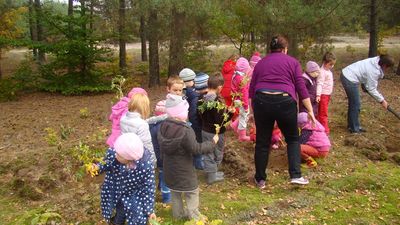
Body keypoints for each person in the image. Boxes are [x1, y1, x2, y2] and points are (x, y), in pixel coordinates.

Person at [249, 35, 316, 188]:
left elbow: (252, 89)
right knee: (292, 139)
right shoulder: (292, 62)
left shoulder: (261, 63)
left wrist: (253, 111)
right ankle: (295, 175)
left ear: (270, 49)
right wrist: (310, 111)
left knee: (262, 141)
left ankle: (260, 179)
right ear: (285, 49)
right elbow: (301, 88)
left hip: (261, 100)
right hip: (285, 101)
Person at [158, 94, 218, 221]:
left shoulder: (163, 126)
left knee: (175, 193)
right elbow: (196, 149)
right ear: (180, 113)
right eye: (185, 110)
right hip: (184, 171)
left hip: (169, 169)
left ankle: (178, 216)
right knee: (192, 192)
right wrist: (212, 143)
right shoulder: (186, 130)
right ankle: (195, 219)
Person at [91, 133, 156, 225]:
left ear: (129, 158)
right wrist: (97, 169)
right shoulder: (115, 152)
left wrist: (149, 210)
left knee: (137, 219)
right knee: (119, 215)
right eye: (116, 152)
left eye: (119, 155)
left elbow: (148, 188)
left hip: (134, 195)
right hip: (115, 190)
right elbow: (105, 163)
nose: (116, 155)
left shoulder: (145, 166)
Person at [341, 54, 395, 133]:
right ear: (384, 65)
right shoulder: (374, 71)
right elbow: (372, 88)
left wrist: (365, 85)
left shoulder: (376, 61)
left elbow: (365, 74)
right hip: (349, 78)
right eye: (388, 67)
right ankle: (354, 129)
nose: (388, 70)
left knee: (354, 103)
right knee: (355, 104)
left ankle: (353, 126)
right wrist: (382, 100)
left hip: (349, 73)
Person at [197, 73, 234, 184]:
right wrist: (230, 113)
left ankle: (212, 172)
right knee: (217, 151)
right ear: (219, 87)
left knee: (208, 152)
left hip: (205, 130)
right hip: (216, 133)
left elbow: (198, 113)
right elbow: (220, 120)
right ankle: (212, 176)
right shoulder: (216, 102)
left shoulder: (201, 98)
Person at [120, 93, 157, 166]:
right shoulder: (142, 124)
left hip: (127, 154)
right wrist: (153, 160)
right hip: (140, 158)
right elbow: (146, 144)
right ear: (145, 107)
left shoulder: (123, 119)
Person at [179, 68, 204, 170]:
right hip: (193, 123)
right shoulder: (194, 94)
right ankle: (198, 162)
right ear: (190, 81)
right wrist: (197, 125)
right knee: (197, 141)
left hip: (183, 121)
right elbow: (193, 112)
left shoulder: (181, 92)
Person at [149, 100, 171, 203]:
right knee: (166, 176)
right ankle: (166, 198)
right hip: (165, 157)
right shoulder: (166, 127)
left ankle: (159, 186)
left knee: (161, 172)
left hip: (155, 155)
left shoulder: (151, 125)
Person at [230, 57, 252, 141]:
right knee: (244, 116)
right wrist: (246, 106)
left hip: (236, 99)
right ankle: (242, 136)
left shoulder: (235, 75)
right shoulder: (242, 79)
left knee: (242, 114)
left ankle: (234, 126)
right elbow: (244, 93)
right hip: (241, 100)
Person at [316, 52, 336, 134]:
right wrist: (318, 95)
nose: (332, 66)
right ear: (325, 62)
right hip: (323, 95)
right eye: (330, 64)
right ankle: (324, 130)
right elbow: (319, 84)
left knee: (323, 111)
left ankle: (319, 127)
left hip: (327, 95)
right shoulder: (322, 72)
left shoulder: (327, 70)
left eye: (333, 65)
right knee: (323, 113)